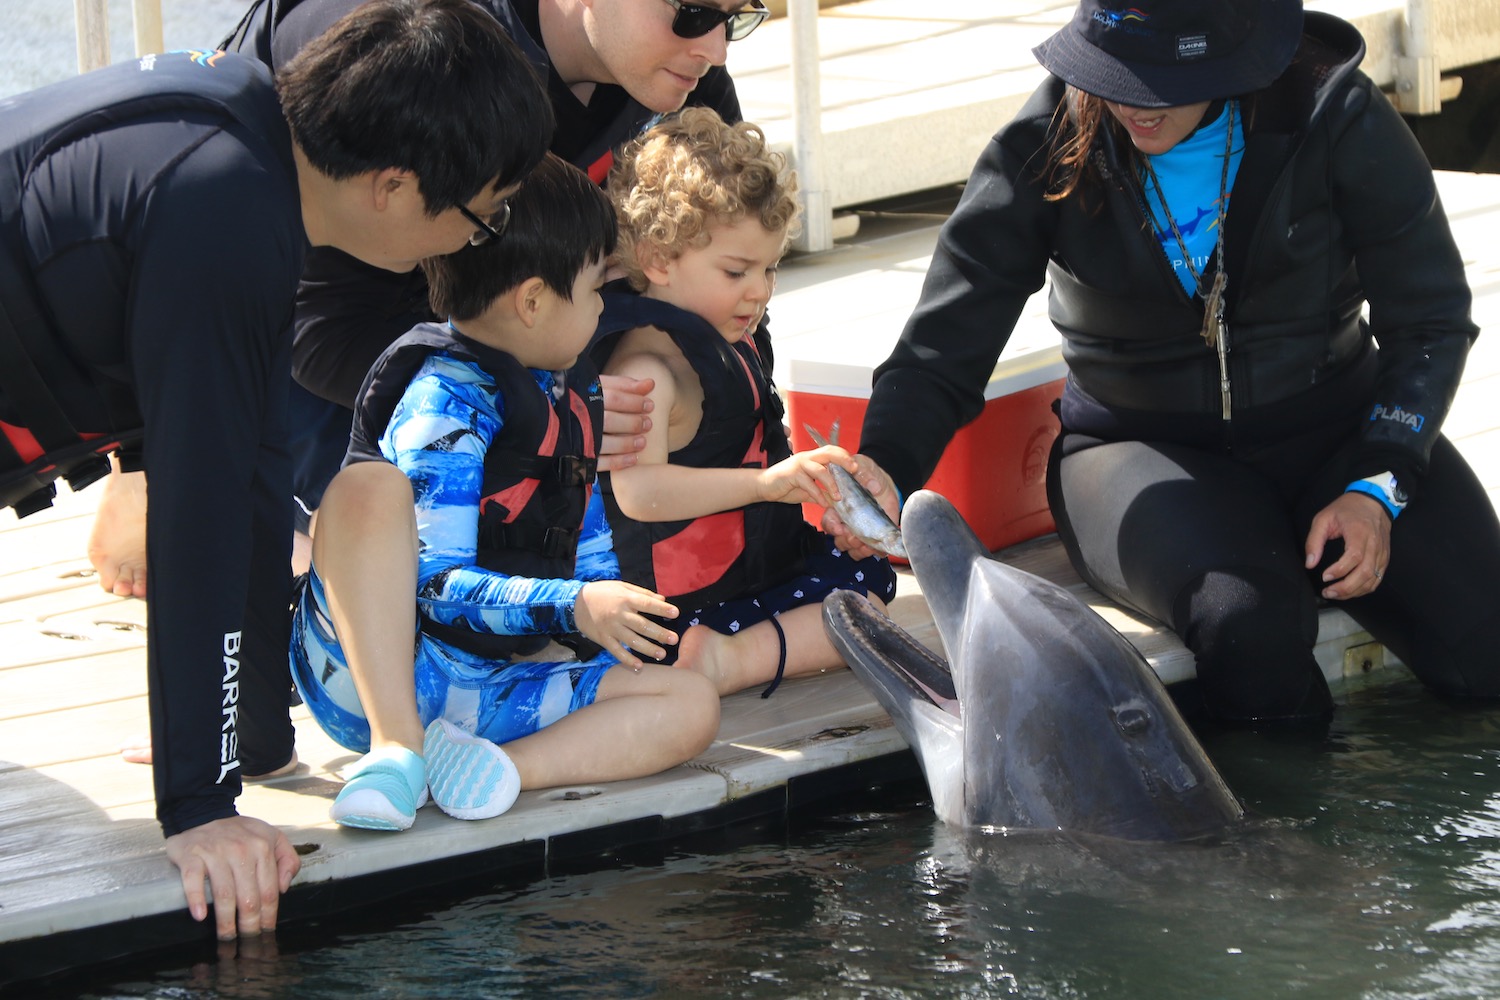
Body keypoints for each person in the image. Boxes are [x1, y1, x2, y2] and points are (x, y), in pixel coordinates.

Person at [0, 0, 552, 937]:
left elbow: (251, 476)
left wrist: (246, 745)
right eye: (480, 218)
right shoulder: (222, 214)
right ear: (393, 185)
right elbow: (199, 513)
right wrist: (200, 809)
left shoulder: (243, 130)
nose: (471, 245)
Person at [831, 0, 1500, 726]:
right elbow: (944, 345)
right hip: (1138, 448)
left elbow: (1429, 319)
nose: (1129, 104)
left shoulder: (1333, 110)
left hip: (1336, 423)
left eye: (1158, 85)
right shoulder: (1045, 138)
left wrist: (1379, 482)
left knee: (1487, 648)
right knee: (1250, 627)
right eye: (1111, 74)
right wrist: (886, 465)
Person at [291, 153, 720, 831]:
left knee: (691, 703)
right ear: (532, 301)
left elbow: (591, 550)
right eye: (593, 288)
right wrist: (575, 605)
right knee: (366, 489)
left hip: (494, 685)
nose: (605, 306)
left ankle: (502, 768)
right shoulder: (444, 404)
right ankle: (395, 752)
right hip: (395, 676)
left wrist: (615, 622)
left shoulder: (568, 401)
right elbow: (433, 589)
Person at [595, 108, 898, 698]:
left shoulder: (724, 338)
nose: (759, 290)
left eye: (771, 269)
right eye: (737, 271)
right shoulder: (647, 370)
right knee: (861, 618)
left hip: (750, 573)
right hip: (672, 609)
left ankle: (730, 652)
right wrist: (762, 487)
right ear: (658, 260)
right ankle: (722, 661)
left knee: (867, 587)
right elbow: (638, 493)